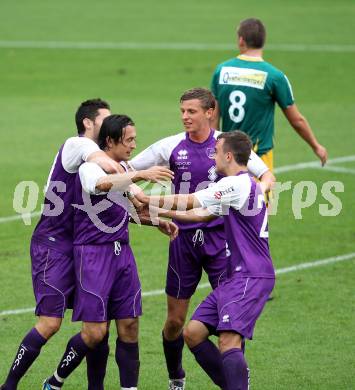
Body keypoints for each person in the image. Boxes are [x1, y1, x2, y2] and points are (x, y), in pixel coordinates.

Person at [128, 87, 275, 390]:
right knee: (191, 331)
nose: (213, 157)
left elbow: (194, 201)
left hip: (247, 273)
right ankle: (223, 382)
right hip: (229, 269)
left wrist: (147, 201)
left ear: (228, 155)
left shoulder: (235, 184)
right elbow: (201, 215)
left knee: (228, 337)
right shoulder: (238, 184)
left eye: (218, 154)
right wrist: (150, 212)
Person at [42, 114, 177, 390]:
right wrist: (139, 174)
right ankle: (55, 381)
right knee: (94, 333)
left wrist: (156, 221)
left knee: (129, 325)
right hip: (93, 257)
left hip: (122, 256)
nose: (133, 145)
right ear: (111, 141)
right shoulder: (89, 167)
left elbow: (123, 209)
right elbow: (99, 186)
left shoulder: (121, 167)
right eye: (129, 140)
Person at [0, 98, 119, 390]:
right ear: (88, 123)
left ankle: (59, 383)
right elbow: (100, 160)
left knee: (97, 325)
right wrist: (131, 172)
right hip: (53, 245)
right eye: (105, 119)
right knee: (50, 323)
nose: (109, 124)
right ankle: (9, 385)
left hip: (84, 246)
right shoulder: (77, 145)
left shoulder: (99, 152)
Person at [211, 17, 328, 171]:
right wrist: (316, 146)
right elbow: (297, 120)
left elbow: (213, 116)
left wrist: (214, 148)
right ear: (263, 41)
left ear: (241, 40)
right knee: (259, 195)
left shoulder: (222, 70)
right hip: (259, 156)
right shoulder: (274, 76)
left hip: (228, 156)